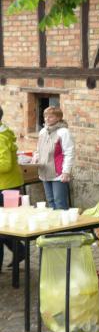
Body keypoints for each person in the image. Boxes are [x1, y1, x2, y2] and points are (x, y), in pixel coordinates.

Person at [0, 105, 25, 269]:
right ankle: (20, 250)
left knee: (5, 225)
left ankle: (20, 250)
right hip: (9, 184)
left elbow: (5, 165)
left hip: (6, 187)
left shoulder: (1, 138)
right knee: (4, 226)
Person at [36, 106, 74, 210]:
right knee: (50, 202)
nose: (47, 119)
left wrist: (66, 172)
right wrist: (36, 157)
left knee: (59, 202)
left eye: (50, 117)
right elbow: (39, 149)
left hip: (58, 174)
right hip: (44, 172)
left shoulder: (64, 132)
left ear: (58, 118)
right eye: (45, 116)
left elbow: (69, 153)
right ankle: (54, 220)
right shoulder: (42, 132)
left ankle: (64, 220)